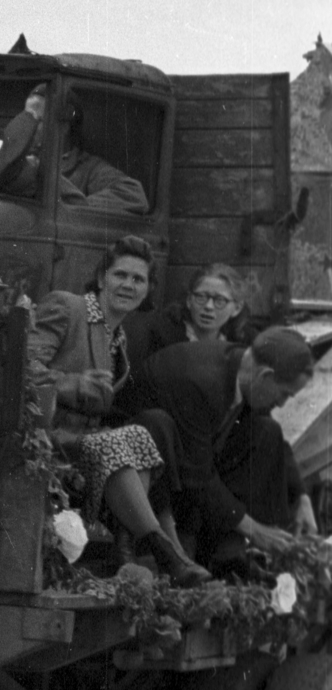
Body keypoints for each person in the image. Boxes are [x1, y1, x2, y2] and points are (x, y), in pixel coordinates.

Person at [28, 235, 208, 584]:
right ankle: (163, 551)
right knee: (111, 443)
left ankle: (137, 548)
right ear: (101, 278)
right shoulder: (68, 308)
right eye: (120, 275)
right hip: (47, 435)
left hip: (81, 441)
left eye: (138, 279)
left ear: (147, 290)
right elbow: (23, 367)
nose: (128, 284)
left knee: (139, 436)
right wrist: (75, 383)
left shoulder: (120, 337)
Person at [131, 326, 317, 570]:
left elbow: (278, 444)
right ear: (265, 376)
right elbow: (197, 476)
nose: (282, 403)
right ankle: (215, 551)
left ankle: (232, 554)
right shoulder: (198, 383)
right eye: (284, 394)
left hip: (192, 458)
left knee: (267, 431)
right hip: (154, 467)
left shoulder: (246, 369)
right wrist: (254, 529)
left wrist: (301, 498)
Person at [0, 86, 149, 213]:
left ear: (64, 126)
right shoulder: (21, 166)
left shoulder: (88, 168)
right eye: (26, 116)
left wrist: (72, 205)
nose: (29, 126)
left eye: (38, 118)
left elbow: (133, 194)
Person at [121, 263, 245, 411]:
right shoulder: (161, 336)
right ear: (189, 300)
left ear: (236, 308)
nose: (209, 307)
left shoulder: (239, 346)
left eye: (220, 301)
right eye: (201, 297)